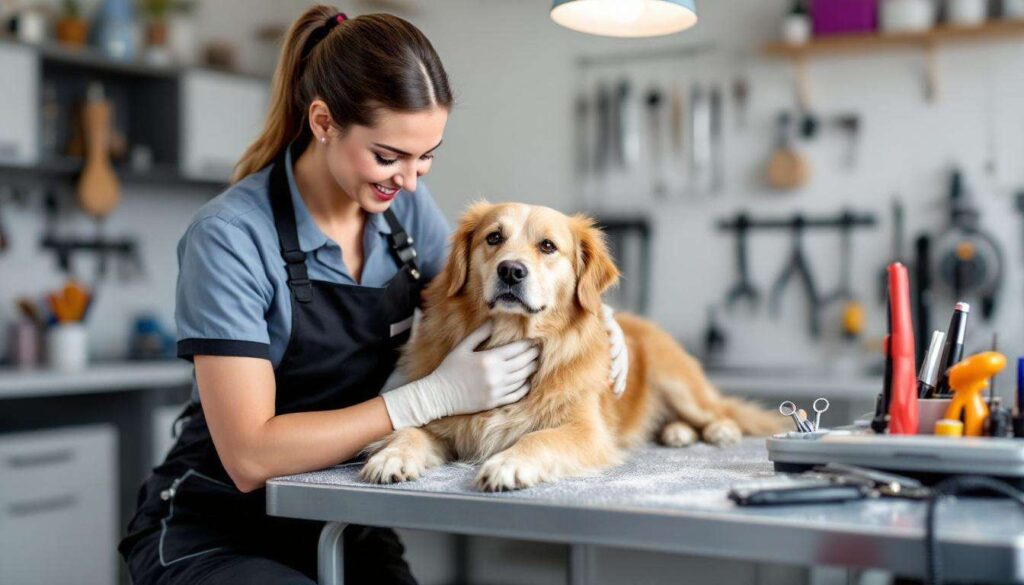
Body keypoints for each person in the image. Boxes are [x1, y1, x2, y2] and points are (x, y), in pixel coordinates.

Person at [118, 6, 629, 584]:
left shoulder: (399, 210)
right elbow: (250, 457)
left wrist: (594, 316)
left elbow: (482, 289)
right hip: (217, 528)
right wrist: (425, 400)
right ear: (322, 121)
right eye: (388, 157)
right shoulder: (232, 237)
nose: (409, 181)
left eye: (425, 157)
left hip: (340, 514)